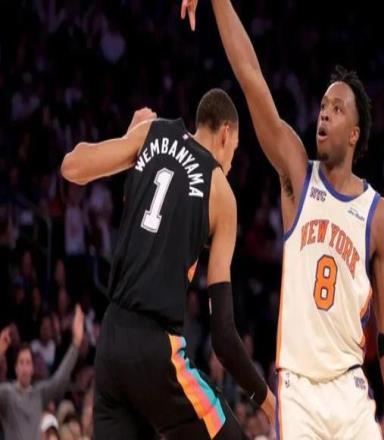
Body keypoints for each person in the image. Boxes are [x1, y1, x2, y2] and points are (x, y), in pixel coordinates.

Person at [193, 0, 384, 438]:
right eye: (323, 104)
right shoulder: (298, 175)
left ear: (355, 134)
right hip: (298, 390)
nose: (324, 112)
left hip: (350, 391)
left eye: (337, 108)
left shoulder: (378, 215)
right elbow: (251, 79)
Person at [61, 92, 275, 439]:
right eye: (234, 151)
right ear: (225, 134)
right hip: (156, 351)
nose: (231, 164)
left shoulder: (152, 133)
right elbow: (223, 335)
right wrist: (268, 401)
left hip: (111, 343)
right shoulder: (221, 192)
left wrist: (129, 140)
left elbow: (71, 167)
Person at [0, 306, 84, 440]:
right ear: (15, 368)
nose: (25, 368)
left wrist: (76, 344)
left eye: (28, 362)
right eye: (21, 362)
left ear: (32, 368)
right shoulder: (6, 393)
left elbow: (59, 380)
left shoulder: (38, 394)